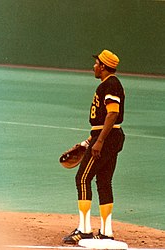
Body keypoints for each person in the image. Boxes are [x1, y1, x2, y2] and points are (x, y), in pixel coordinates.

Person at [63, 49, 125, 244]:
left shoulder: (110, 85)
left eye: (97, 63)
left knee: (82, 178)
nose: (94, 66)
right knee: (104, 182)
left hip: (106, 139)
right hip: (109, 137)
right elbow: (104, 121)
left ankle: (84, 229)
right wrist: (89, 140)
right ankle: (107, 231)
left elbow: (112, 114)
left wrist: (99, 142)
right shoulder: (109, 84)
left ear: (104, 67)